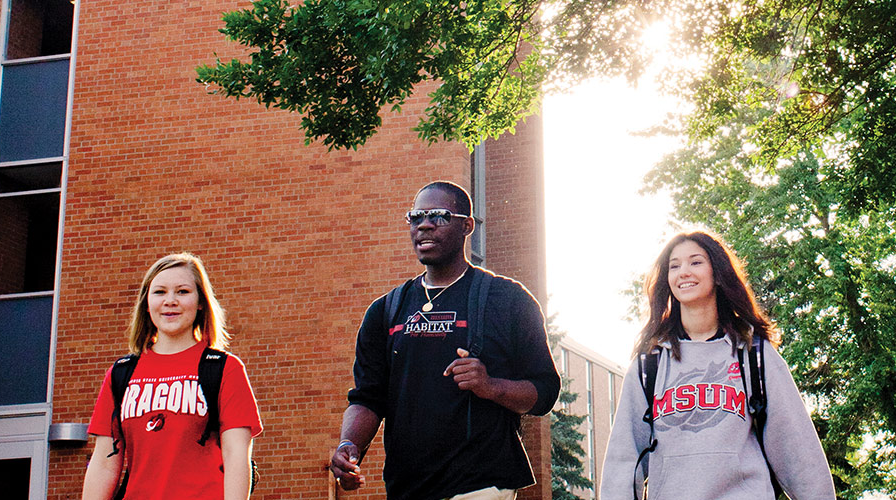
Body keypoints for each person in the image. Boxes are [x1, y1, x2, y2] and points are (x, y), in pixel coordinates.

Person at [327, 181, 561, 500]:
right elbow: (368, 397)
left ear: (466, 226)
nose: (424, 224)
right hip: (408, 486)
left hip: (481, 484)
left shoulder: (507, 300)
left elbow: (545, 391)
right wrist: (349, 446)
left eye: (438, 216)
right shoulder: (385, 311)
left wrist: (490, 386)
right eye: (416, 217)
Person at [599, 231, 836, 500]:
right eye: (674, 266)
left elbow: (798, 452)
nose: (683, 272)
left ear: (717, 272)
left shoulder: (753, 354)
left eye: (695, 262)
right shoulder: (649, 363)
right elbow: (622, 460)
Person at [80, 253, 263, 500]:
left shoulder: (224, 369)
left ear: (200, 302)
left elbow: (236, 456)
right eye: (160, 292)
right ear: (147, 302)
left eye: (183, 291)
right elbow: (104, 462)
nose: (170, 301)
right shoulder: (121, 373)